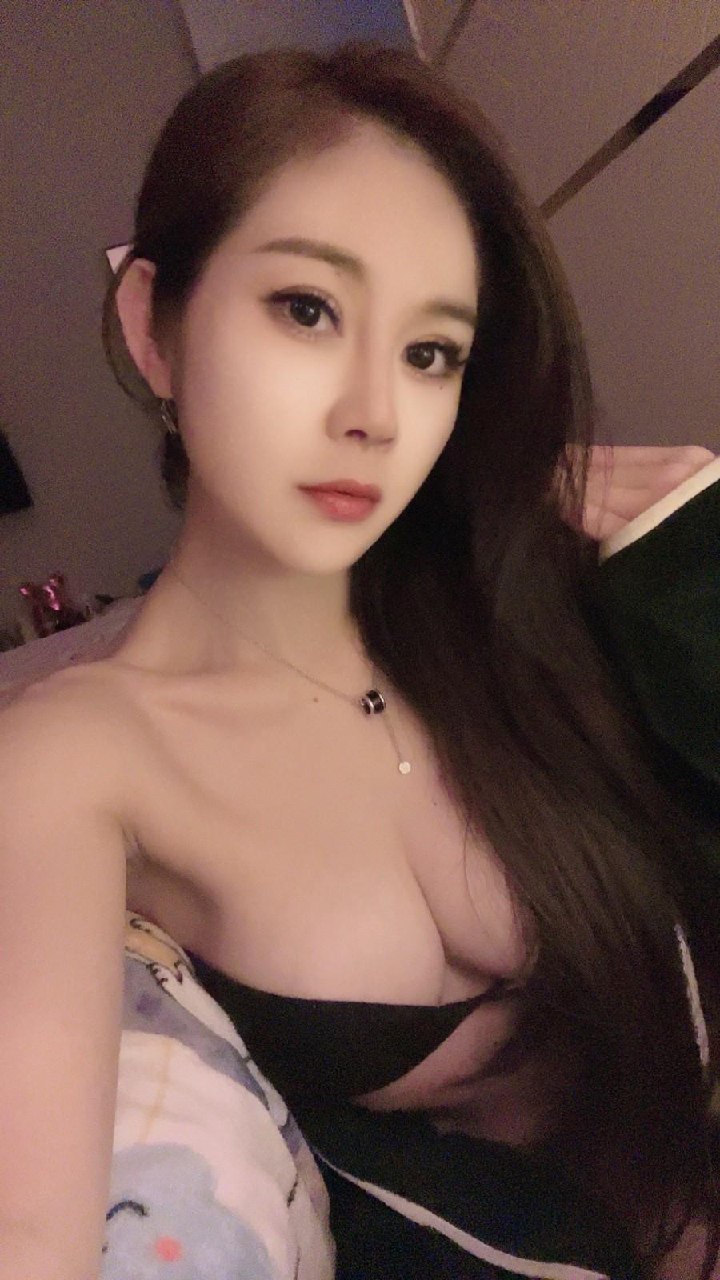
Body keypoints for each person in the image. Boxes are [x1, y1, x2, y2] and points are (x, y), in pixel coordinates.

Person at [0, 38, 718, 1280]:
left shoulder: (516, 596)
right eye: (308, 309)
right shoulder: (75, 750)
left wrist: (688, 551)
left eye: (430, 351)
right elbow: (31, 1233)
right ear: (153, 326)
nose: (374, 414)